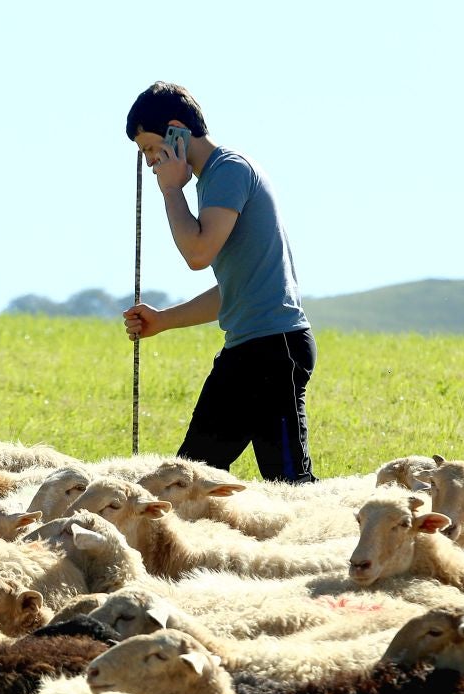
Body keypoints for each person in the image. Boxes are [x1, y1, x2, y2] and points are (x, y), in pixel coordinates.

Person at [123, 81, 318, 484]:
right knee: (187, 479)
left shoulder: (228, 170)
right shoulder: (214, 179)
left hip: (273, 351)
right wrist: (162, 320)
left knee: (292, 489)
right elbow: (233, 291)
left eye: (148, 149)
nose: (149, 163)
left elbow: (197, 254)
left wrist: (171, 191)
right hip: (249, 351)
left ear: (176, 130)